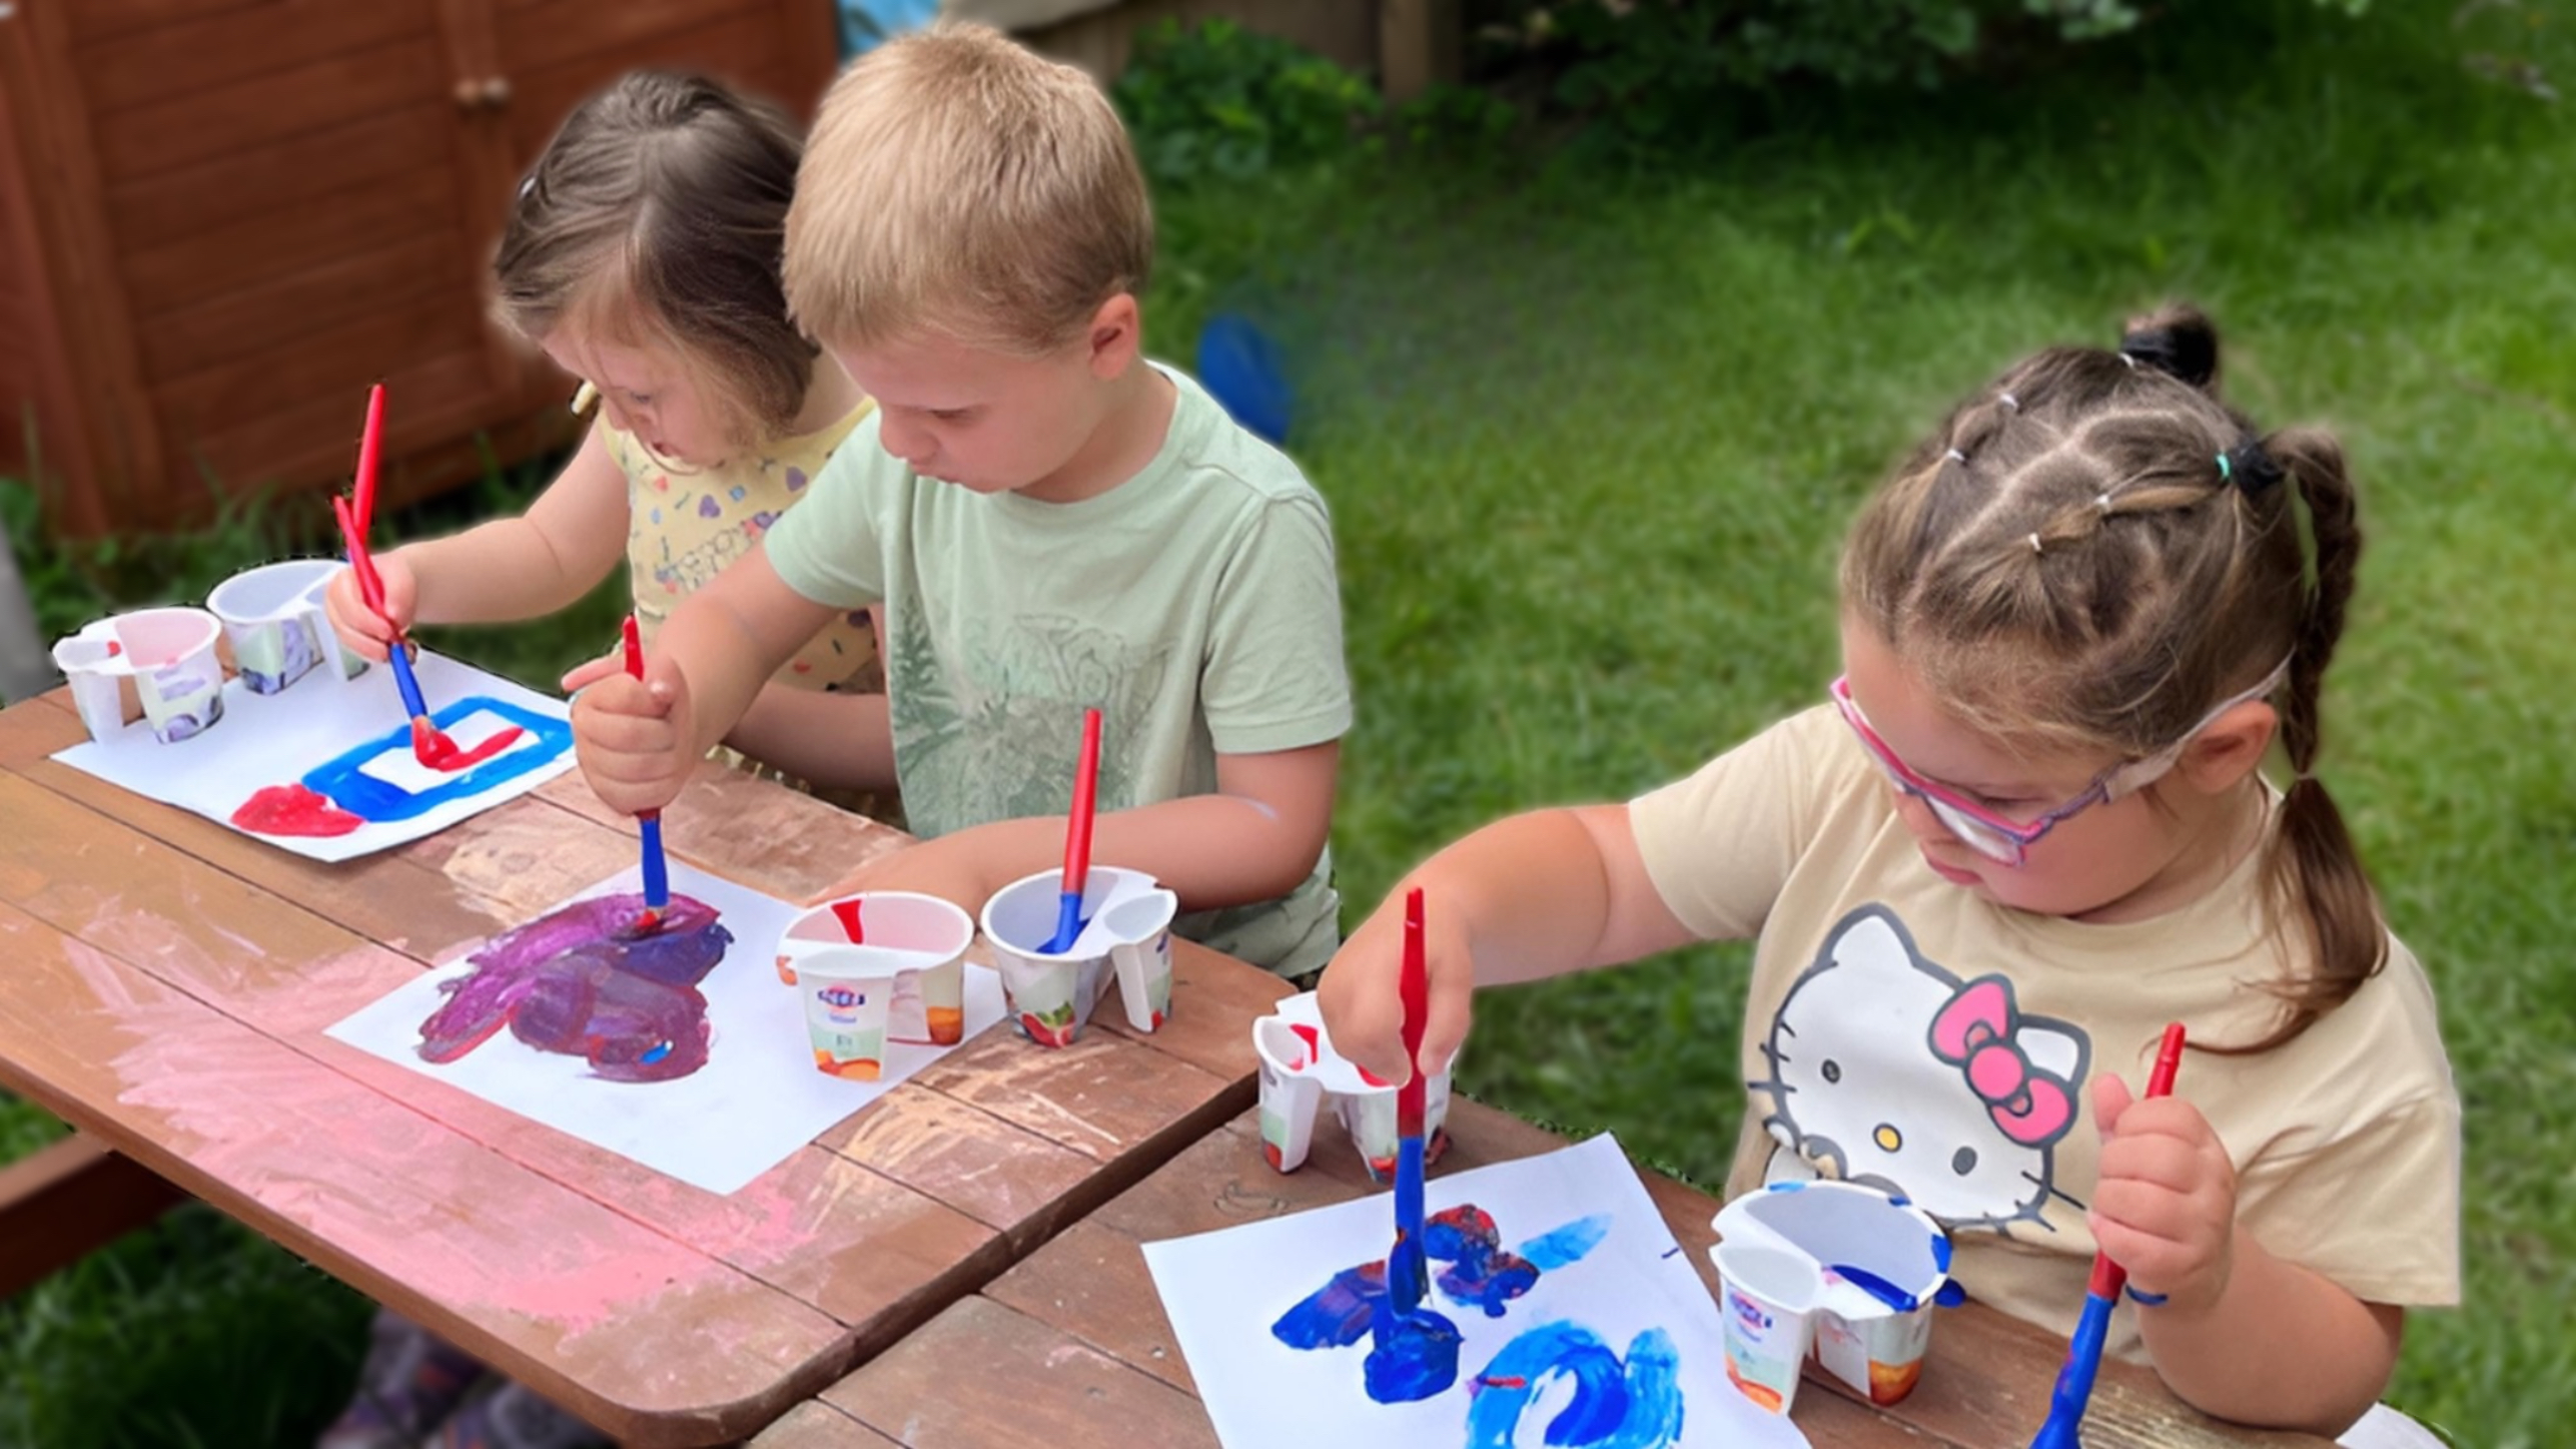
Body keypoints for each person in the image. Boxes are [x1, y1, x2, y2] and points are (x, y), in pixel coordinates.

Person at [1316, 310, 2458, 1442]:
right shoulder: (1865, 783)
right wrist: (1446, 911)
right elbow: (1610, 872)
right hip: (1773, 1379)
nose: (1913, 815)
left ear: (2214, 753)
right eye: (1881, 747)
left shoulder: (2317, 1006)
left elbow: (2330, 1377)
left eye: (1991, 801)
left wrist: (2207, 1282)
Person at [566, 24, 1350, 978]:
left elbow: (1272, 827)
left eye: (943, 408)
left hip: (1210, 988)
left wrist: (981, 865)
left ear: (1103, 342)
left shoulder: (1246, 524)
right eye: (878, 398)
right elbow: (739, 612)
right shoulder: (903, 462)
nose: (894, 440)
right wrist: (675, 701)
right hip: (983, 958)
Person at [326, 71, 885, 804]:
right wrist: (416, 579)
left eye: (639, 393)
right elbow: (548, 550)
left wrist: (713, 702)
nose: (616, 419)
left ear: (752, 335)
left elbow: (906, 743)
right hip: (676, 797)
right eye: (599, 386)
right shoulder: (653, 422)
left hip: (823, 838)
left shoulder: (882, 458)